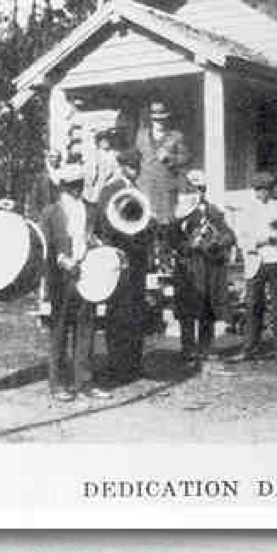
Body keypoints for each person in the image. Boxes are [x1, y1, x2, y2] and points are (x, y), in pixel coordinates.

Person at [40, 164, 110, 402]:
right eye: (72, 186)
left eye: (80, 184)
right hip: (61, 279)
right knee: (59, 331)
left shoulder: (92, 210)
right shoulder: (51, 212)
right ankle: (57, 384)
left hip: (88, 276)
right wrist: (62, 259)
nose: (77, 189)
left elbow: (102, 238)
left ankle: (84, 382)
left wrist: (97, 244)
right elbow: (45, 247)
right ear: (63, 187)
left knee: (86, 329)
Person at [168, 170, 237, 365]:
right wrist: (188, 245)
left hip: (207, 265)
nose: (196, 192)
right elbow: (171, 239)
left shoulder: (213, 211)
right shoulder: (179, 212)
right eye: (192, 188)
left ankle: (206, 347)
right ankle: (188, 349)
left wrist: (217, 242)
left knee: (207, 306)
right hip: (188, 265)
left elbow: (230, 235)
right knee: (187, 309)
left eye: (200, 189)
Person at [96, 147, 150, 383]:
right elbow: (103, 224)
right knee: (118, 313)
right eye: (131, 166)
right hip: (119, 257)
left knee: (136, 312)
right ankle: (117, 365)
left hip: (137, 259)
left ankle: (133, 364)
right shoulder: (111, 190)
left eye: (137, 166)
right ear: (122, 166)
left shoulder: (135, 189)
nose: (135, 170)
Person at [231, 170, 277, 365]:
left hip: (276, 261)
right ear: (255, 191)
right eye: (260, 190)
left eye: (267, 190)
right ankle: (249, 348)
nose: (264, 194)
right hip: (256, 262)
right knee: (253, 306)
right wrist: (260, 241)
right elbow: (241, 239)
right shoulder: (248, 210)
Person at [135, 100, 191, 224]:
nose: (159, 122)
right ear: (151, 119)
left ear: (167, 119)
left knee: (167, 224)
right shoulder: (141, 135)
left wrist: (170, 158)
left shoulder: (176, 136)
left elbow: (186, 158)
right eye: (156, 119)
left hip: (167, 188)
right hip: (146, 188)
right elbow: (135, 157)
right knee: (146, 223)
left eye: (162, 119)